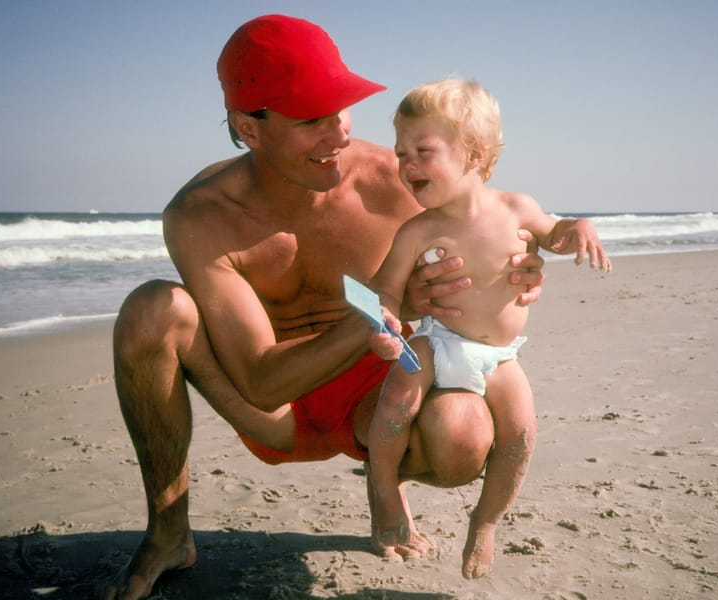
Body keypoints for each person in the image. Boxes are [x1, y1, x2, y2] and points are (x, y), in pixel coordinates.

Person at [104, 15, 551, 599]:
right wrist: (384, 310)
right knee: (150, 310)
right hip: (277, 409)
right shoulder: (201, 214)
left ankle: (387, 485)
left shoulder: (397, 177)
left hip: (380, 395)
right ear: (249, 126)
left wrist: (518, 271)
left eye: (341, 110)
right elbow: (261, 383)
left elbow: (490, 223)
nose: (338, 135)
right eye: (312, 119)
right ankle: (168, 533)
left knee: (462, 439)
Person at [364, 77, 612, 579]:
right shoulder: (418, 230)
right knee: (395, 401)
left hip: (499, 356)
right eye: (400, 152)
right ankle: (385, 494)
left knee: (521, 433)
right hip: (436, 342)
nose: (406, 164)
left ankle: (486, 521)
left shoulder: (516, 208)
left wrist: (578, 226)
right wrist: (386, 323)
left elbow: (557, 234)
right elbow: (384, 289)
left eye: (422, 150)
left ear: (474, 154)